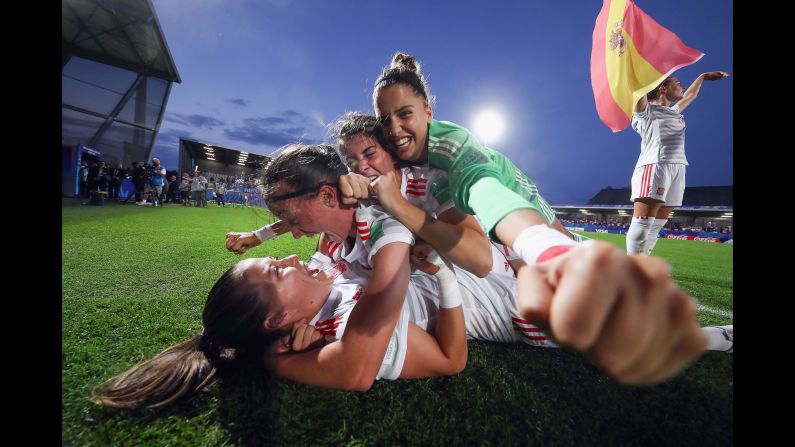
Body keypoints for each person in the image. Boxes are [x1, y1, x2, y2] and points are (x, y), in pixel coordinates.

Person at [339, 52, 598, 319]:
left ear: (428, 113)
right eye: (385, 120)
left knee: (559, 270)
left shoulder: (452, 143)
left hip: (510, 193)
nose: (394, 129)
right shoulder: (396, 152)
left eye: (405, 114)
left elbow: (483, 189)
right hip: (483, 216)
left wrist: (539, 243)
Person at [625, 71, 730, 255]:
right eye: (678, 83)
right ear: (663, 89)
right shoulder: (646, 111)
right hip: (655, 165)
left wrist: (703, 76)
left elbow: (691, 95)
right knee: (643, 223)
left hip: (678, 168)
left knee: (656, 226)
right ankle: (630, 267)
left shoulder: (673, 111)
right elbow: (637, 90)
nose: (682, 86)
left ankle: (643, 263)